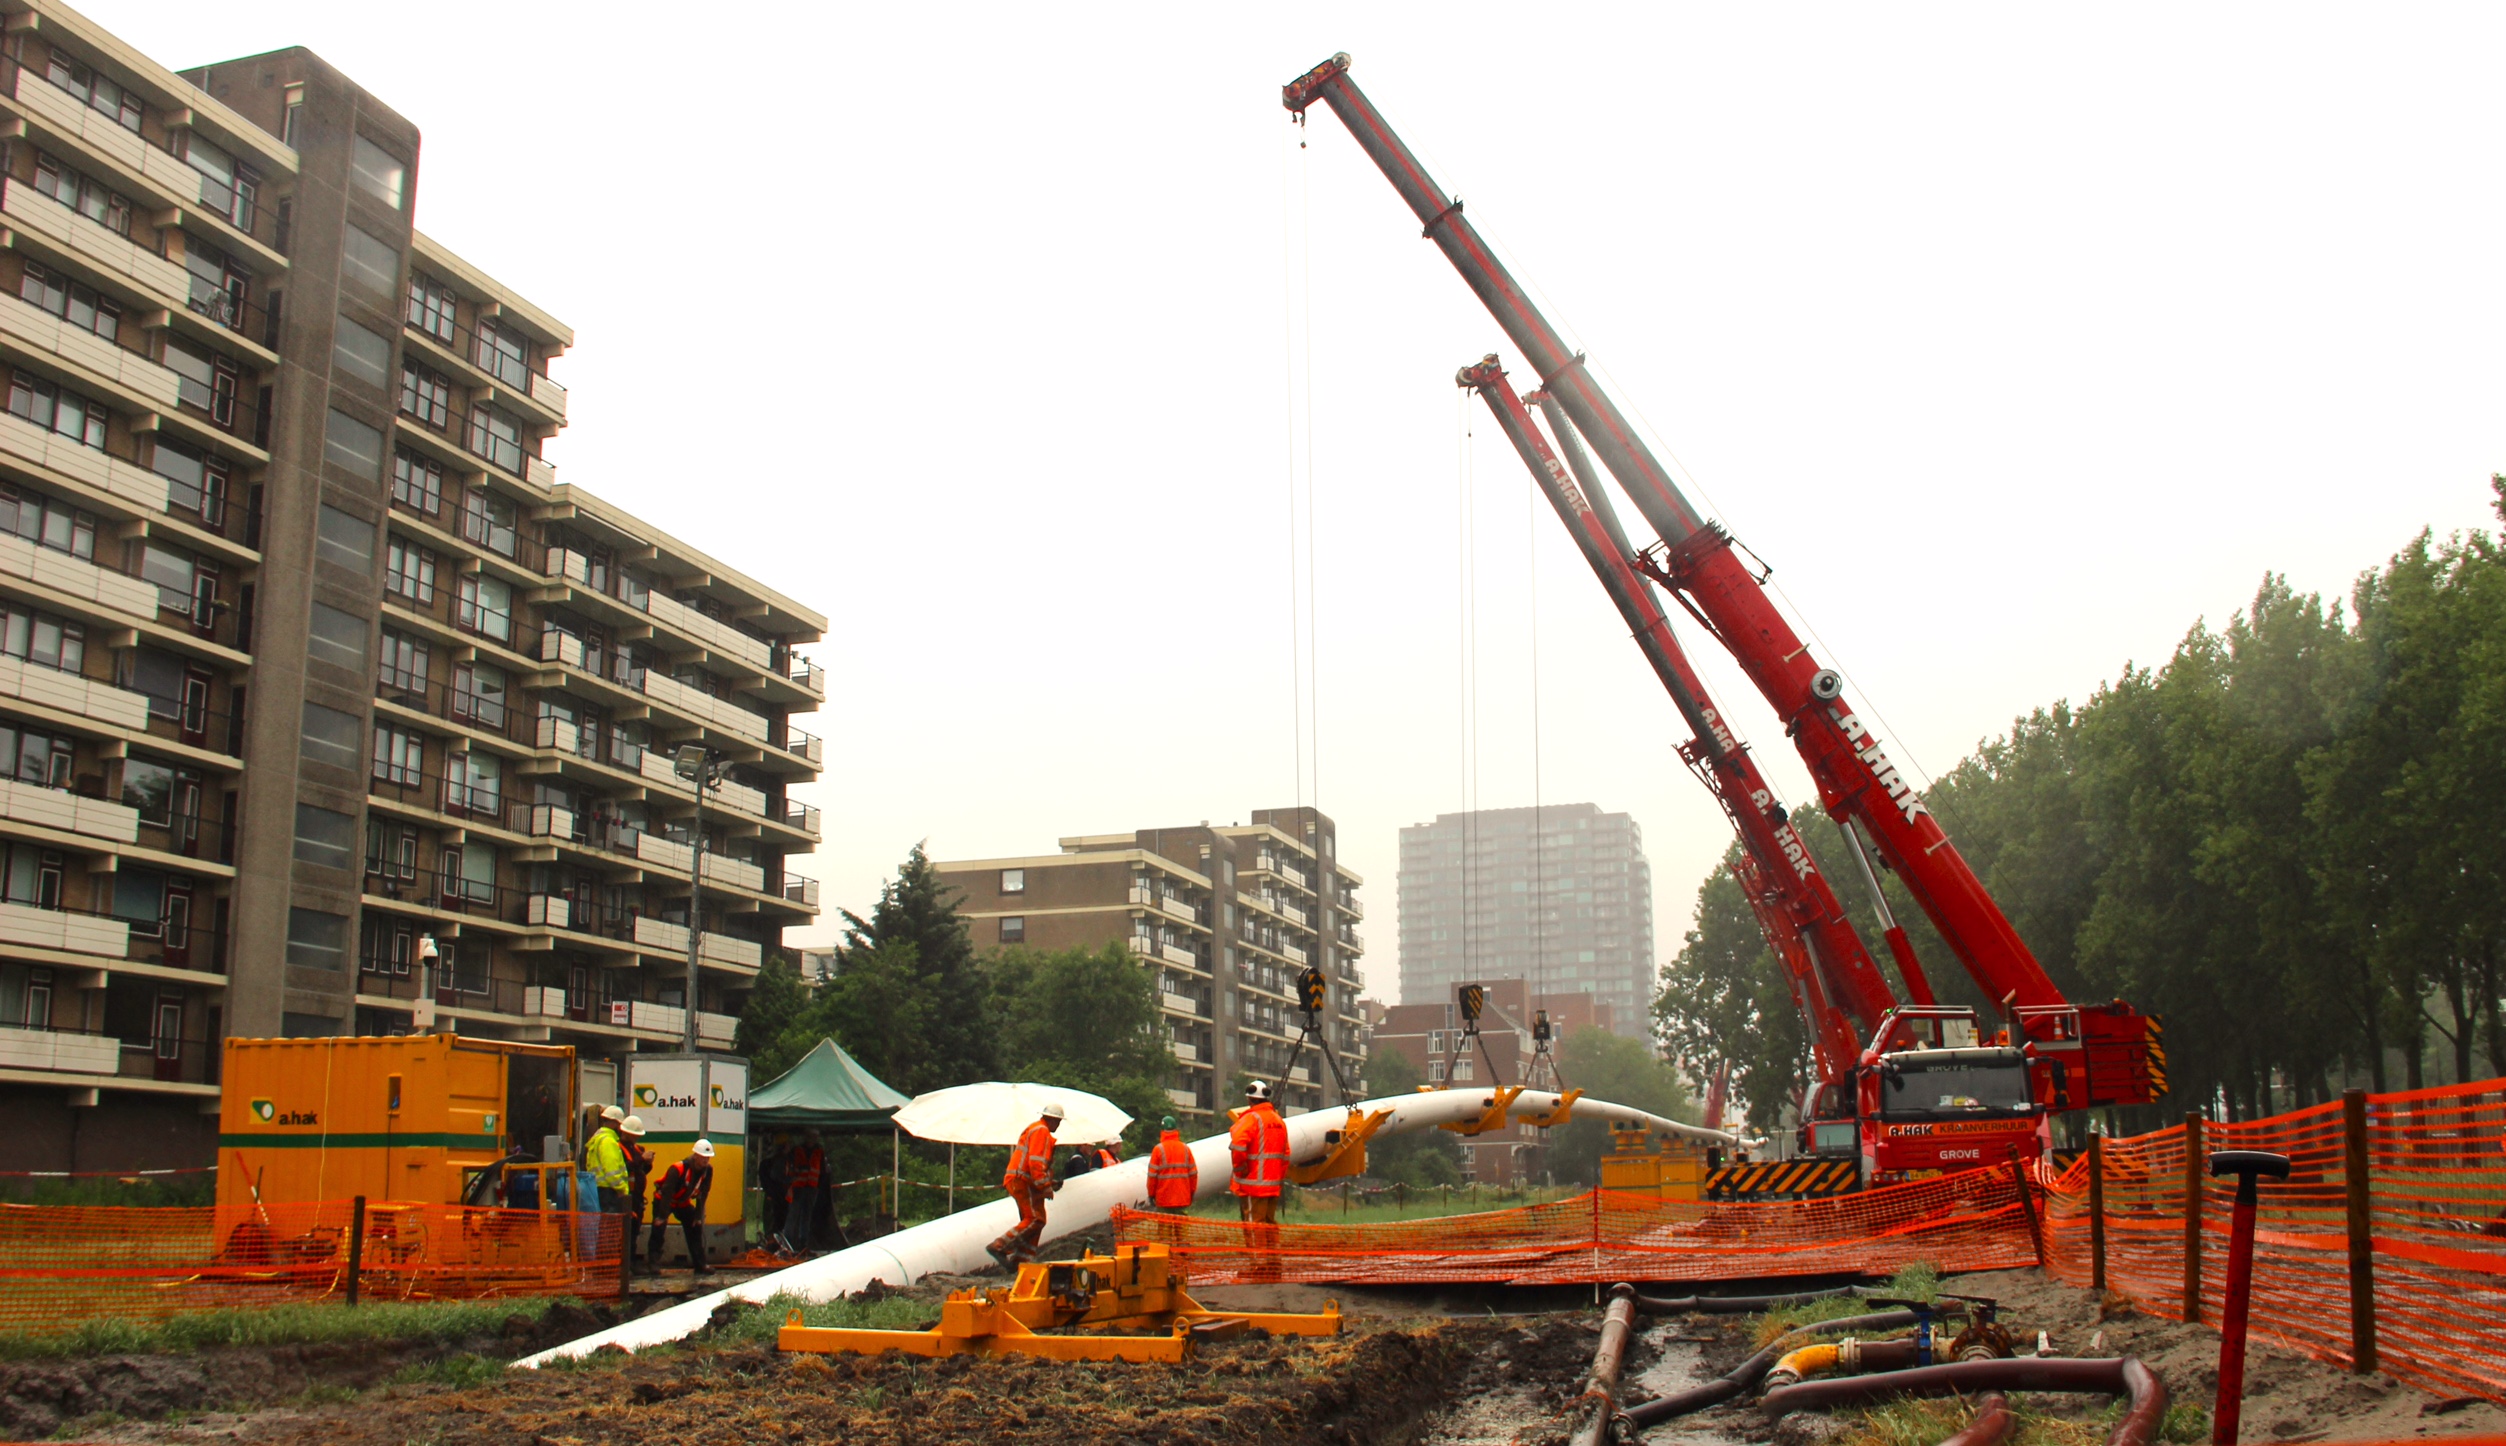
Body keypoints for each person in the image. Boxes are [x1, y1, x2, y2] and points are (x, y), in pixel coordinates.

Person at [985, 1101, 1062, 1271]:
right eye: (1059, 1121)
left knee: (1037, 1221)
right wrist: (1045, 1186)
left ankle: (1020, 1262)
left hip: (1025, 1181)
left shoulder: (1038, 1130)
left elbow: (1038, 1164)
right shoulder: (1041, 1131)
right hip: (1022, 1181)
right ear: (1052, 1120)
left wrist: (1049, 1182)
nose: (1059, 1125)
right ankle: (1000, 1246)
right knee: (1035, 1219)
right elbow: (1035, 1163)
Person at [1230, 1080, 1289, 1279]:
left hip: (1252, 1186)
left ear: (1249, 1098)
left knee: (1253, 1226)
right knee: (1269, 1225)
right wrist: (1277, 1177)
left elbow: (1238, 1146)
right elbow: (1285, 1154)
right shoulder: (1278, 1121)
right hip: (1272, 1185)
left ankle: (1258, 1266)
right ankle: (1273, 1263)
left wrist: (1240, 1171)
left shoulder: (1250, 1119)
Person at [651, 1139, 716, 1275]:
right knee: (658, 1228)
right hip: (664, 1200)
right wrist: (662, 1216)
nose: (706, 1161)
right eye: (703, 1157)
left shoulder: (707, 1171)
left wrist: (698, 1216)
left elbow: (703, 1194)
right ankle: (653, 1264)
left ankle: (700, 1265)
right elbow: (667, 1192)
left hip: (682, 1203)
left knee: (694, 1227)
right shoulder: (678, 1168)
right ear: (695, 1156)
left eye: (708, 1158)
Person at [585, 1106, 631, 1254]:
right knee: (610, 1229)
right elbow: (612, 1172)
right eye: (618, 1124)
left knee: (604, 1227)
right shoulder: (608, 1142)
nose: (619, 1127)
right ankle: (608, 1261)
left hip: (600, 1189)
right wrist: (622, 1189)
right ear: (613, 1123)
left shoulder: (598, 1139)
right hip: (609, 1192)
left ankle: (604, 1261)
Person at [619, 1115, 655, 1275]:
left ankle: (631, 1263)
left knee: (634, 1231)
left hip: (637, 1197)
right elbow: (625, 1168)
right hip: (626, 1195)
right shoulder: (619, 1148)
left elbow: (641, 1171)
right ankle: (625, 1264)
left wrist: (647, 1163)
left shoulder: (637, 1149)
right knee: (627, 1231)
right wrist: (641, 1159)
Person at [783, 1131, 826, 1255]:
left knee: (806, 1216)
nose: (812, 1139)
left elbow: (822, 1170)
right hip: (798, 1186)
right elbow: (789, 1167)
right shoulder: (797, 1150)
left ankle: (803, 1244)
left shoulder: (819, 1151)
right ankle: (788, 1243)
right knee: (793, 1215)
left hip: (811, 1187)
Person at [1148, 1116, 1198, 1211]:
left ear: (1162, 1130)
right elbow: (1193, 1174)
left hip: (1163, 1199)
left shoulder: (1158, 1150)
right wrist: (1191, 1193)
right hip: (1182, 1199)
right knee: (1181, 1225)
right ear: (1176, 1130)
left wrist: (1151, 1195)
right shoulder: (1185, 1149)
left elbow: (1152, 1177)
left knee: (1165, 1225)